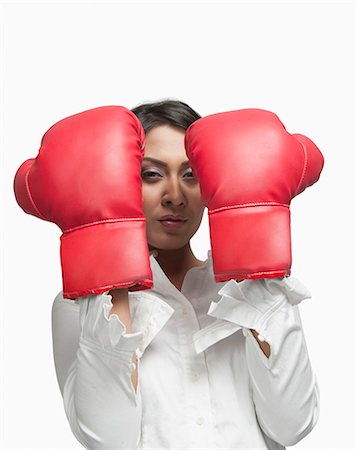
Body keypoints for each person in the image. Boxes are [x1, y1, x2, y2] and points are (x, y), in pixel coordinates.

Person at [51, 99, 320, 449]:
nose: (175, 196)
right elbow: (108, 439)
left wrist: (258, 274)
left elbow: (293, 425)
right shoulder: (81, 306)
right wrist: (112, 280)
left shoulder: (254, 289)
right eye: (151, 174)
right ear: (116, 181)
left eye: (191, 175)